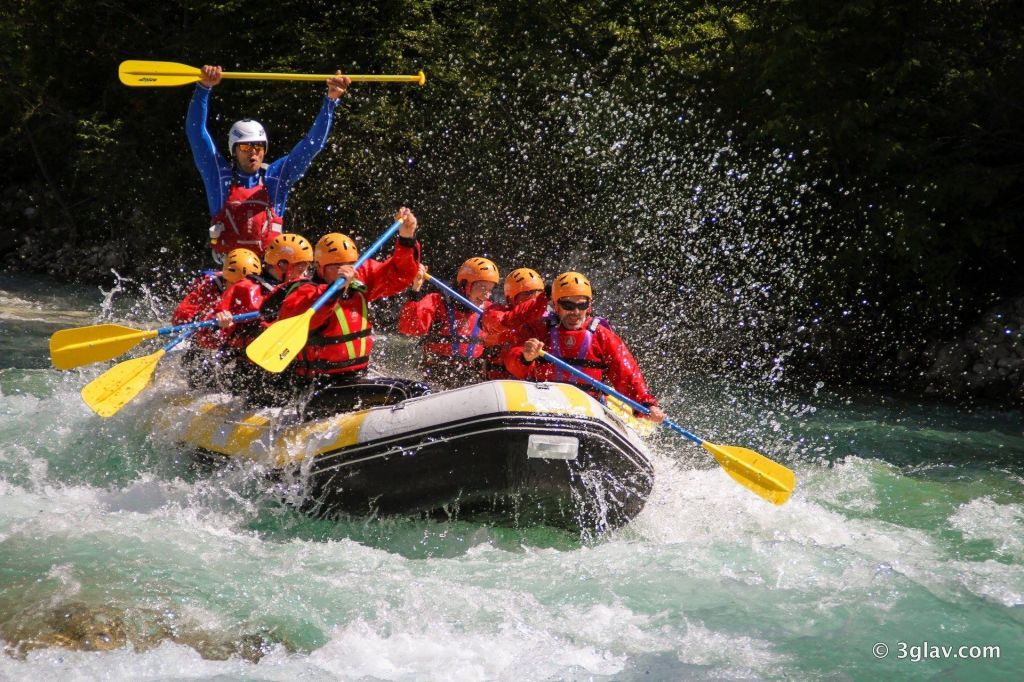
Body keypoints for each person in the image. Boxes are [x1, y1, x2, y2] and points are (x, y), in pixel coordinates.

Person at [186, 64, 352, 260]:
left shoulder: (276, 177)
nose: (253, 153)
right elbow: (196, 133)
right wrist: (203, 88)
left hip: (270, 272)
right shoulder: (219, 175)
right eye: (246, 147)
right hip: (230, 270)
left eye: (258, 147)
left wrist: (330, 101)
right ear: (234, 150)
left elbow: (312, 145)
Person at [274, 208, 428, 413]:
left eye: (350, 264)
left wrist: (407, 238)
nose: (347, 270)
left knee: (417, 390)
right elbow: (305, 319)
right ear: (320, 268)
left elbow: (400, 275)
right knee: (407, 393)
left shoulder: (360, 278)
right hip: (319, 389)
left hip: (355, 380)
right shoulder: (304, 292)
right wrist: (335, 290)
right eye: (337, 266)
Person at [505, 271, 666, 422]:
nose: (575, 312)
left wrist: (646, 404)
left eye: (582, 306)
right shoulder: (538, 330)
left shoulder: (602, 336)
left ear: (589, 306)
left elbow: (626, 373)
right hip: (543, 403)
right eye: (567, 305)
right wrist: (525, 357)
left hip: (589, 408)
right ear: (555, 305)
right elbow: (513, 365)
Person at [398, 257, 500, 389]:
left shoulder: (490, 312)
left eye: (490, 289)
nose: (487, 295)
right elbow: (409, 328)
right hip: (436, 378)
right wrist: (416, 288)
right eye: (482, 287)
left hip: (474, 381)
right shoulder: (438, 302)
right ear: (465, 285)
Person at [478, 267, 549, 380]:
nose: (534, 297)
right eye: (528, 293)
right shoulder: (495, 313)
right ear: (511, 299)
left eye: (539, 293)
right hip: (499, 384)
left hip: (533, 385)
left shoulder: (548, 320)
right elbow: (508, 320)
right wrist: (540, 300)